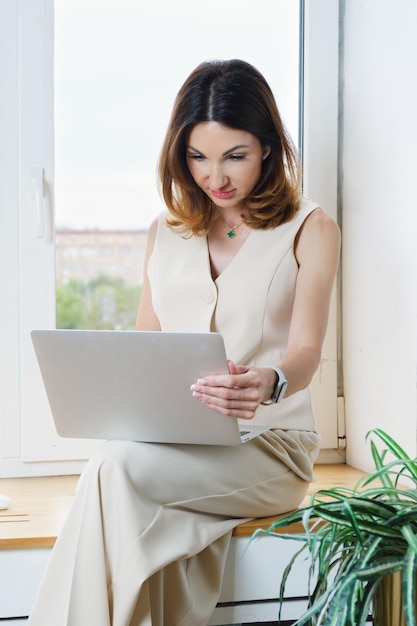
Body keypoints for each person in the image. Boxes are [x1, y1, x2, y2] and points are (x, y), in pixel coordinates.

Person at [28, 59, 340, 626]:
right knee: (115, 469)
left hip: (270, 447)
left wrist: (270, 381)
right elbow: (147, 347)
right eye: (197, 156)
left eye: (234, 157)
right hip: (179, 444)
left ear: (268, 148)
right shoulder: (164, 231)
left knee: (112, 471)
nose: (214, 176)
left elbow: (307, 351)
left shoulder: (310, 226)